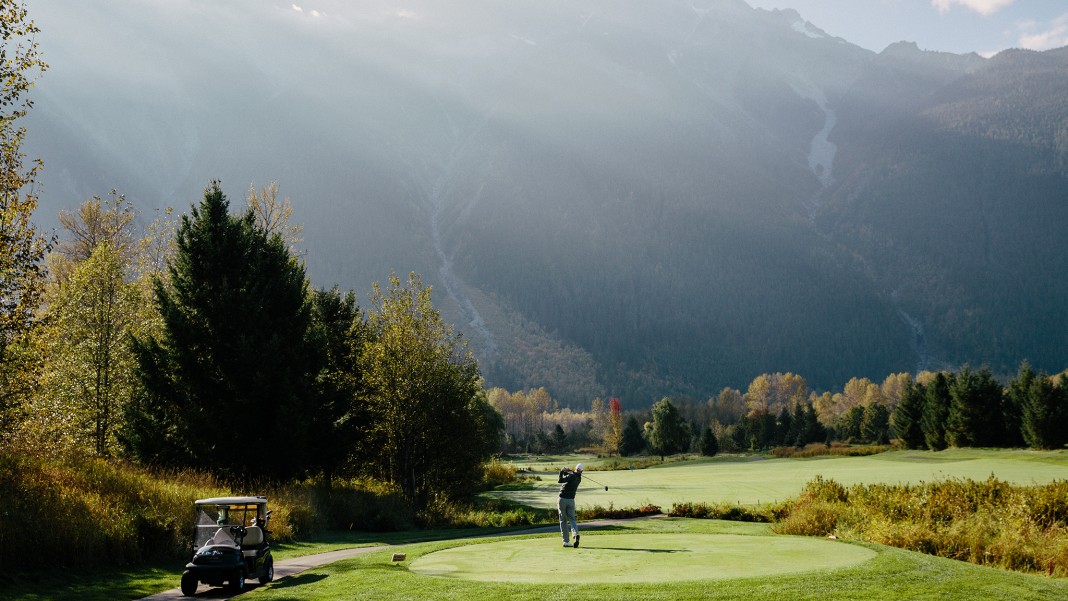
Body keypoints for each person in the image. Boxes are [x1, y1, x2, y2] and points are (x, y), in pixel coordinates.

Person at [557, 463, 583, 548]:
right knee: (572, 519)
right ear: (581, 471)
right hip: (571, 501)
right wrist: (566, 472)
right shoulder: (579, 478)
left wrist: (561, 471)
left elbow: (560, 480)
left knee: (563, 520)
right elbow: (569, 477)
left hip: (562, 499)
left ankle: (566, 541)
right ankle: (576, 535)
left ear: (575, 468)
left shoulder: (572, 476)